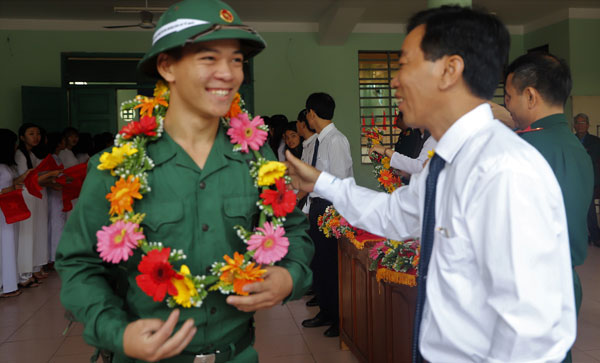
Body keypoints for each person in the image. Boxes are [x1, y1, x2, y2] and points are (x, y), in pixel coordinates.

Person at [286, 6, 575, 362]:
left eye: (405, 64)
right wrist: (322, 182)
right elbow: (396, 214)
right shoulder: (448, 162)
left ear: (449, 70)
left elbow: (532, 333)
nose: (394, 80)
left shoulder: (503, 170)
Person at [55, 1, 313, 362]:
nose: (228, 73)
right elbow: (79, 263)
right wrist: (118, 333)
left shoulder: (257, 159)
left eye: (237, 59)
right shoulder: (116, 167)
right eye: (209, 58)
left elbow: (294, 232)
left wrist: (289, 278)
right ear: (167, 66)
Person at [504, 52, 594, 363]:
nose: (507, 108)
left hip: (526, 293)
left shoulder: (522, 149)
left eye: (508, 97)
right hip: (564, 285)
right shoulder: (575, 147)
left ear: (530, 96)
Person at [301, 92, 353, 338]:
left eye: (307, 114)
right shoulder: (319, 141)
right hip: (317, 205)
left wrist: (335, 215)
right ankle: (325, 309)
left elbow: (341, 180)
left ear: (312, 113)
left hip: (331, 208)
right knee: (320, 263)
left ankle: (339, 318)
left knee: (332, 265)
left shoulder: (335, 140)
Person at [15, 123, 50, 286]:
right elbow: (26, 178)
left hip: (34, 195)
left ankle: (33, 267)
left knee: (36, 231)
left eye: (37, 134)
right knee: (27, 234)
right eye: (31, 134)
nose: (36, 137)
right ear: (22, 137)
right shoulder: (20, 155)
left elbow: (38, 173)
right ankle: (25, 272)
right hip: (26, 195)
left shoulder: (31, 154)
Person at [573, 112, 600, 247]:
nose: (580, 125)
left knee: (589, 209)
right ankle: (581, 237)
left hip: (590, 180)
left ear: (588, 125)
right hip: (573, 180)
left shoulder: (596, 141)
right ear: (574, 125)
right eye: (577, 123)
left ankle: (595, 236)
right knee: (575, 209)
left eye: (582, 123)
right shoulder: (570, 140)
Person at [296, 109, 316, 211]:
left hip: (313, 202)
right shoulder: (307, 144)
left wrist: (296, 199)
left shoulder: (316, 144)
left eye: (297, 123)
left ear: (302, 124)